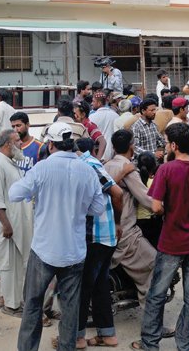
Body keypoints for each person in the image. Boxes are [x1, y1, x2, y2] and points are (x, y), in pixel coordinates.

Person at [9, 122, 104, 351]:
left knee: (32, 304)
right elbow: (98, 208)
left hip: (44, 250)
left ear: (50, 144)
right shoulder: (87, 170)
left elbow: (14, 194)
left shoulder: (42, 169)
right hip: (74, 251)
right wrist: (78, 206)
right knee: (70, 308)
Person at [132, 123, 189, 351]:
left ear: (173, 145)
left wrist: (169, 210)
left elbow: (157, 206)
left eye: (166, 142)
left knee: (156, 294)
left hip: (171, 242)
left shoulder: (166, 170)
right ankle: (184, 344)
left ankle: (150, 343)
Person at [74, 137, 123, 349]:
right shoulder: (92, 164)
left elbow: (117, 192)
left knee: (83, 287)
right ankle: (107, 334)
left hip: (96, 236)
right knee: (99, 286)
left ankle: (77, 338)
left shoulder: (88, 166)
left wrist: (118, 221)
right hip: (105, 236)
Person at [104, 130, 156, 299]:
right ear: (132, 147)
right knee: (155, 264)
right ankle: (150, 314)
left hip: (108, 228)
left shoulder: (105, 166)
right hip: (126, 231)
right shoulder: (127, 169)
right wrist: (163, 207)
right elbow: (147, 199)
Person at [0, 129, 33, 317]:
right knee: (9, 268)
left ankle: (11, 300)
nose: (21, 143)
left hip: (15, 225)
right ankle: (12, 306)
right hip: (7, 228)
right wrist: (6, 225)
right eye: (17, 141)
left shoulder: (10, 163)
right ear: (8, 145)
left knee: (15, 267)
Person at [90, 90, 119, 161]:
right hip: (113, 155)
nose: (91, 103)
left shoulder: (92, 117)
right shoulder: (115, 115)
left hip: (98, 156)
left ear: (99, 103)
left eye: (93, 101)